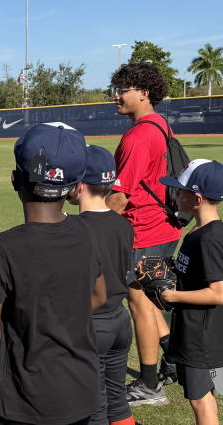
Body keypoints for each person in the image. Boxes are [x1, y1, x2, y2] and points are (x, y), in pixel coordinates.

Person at [0, 123, 106, 425]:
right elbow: (99, 295)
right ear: (75, 188)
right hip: (82, 387)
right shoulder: (87, 232)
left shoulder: (2, 246)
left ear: (14, 180)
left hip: (27, 396)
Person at [106, 63, 182, 405]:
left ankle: (149, 385)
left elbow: (120, 196)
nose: (116, 96)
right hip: (164, 226)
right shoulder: (160, 123)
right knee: (149, 298)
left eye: (123, 89)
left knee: (138, 303)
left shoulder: (138, 135)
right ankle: (176, 360)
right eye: (116, 89)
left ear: (144, 93)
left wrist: (89, 225)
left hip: (143, 231)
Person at [157, 159, 223, 425]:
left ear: (197, 198)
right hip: (195, 331)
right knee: (203, 397)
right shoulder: (198, 231)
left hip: (201, 336)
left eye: (181, 190)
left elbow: (218, 293)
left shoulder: (210, 239)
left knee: (199, 399)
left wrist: (173, 296)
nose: (176, 194)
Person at [68, 145, 136, 425]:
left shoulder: (74, 229)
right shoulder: (124, 225)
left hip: (92, 324)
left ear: (80, 185)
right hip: (120, 321)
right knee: (117, 401)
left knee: (93, 407)